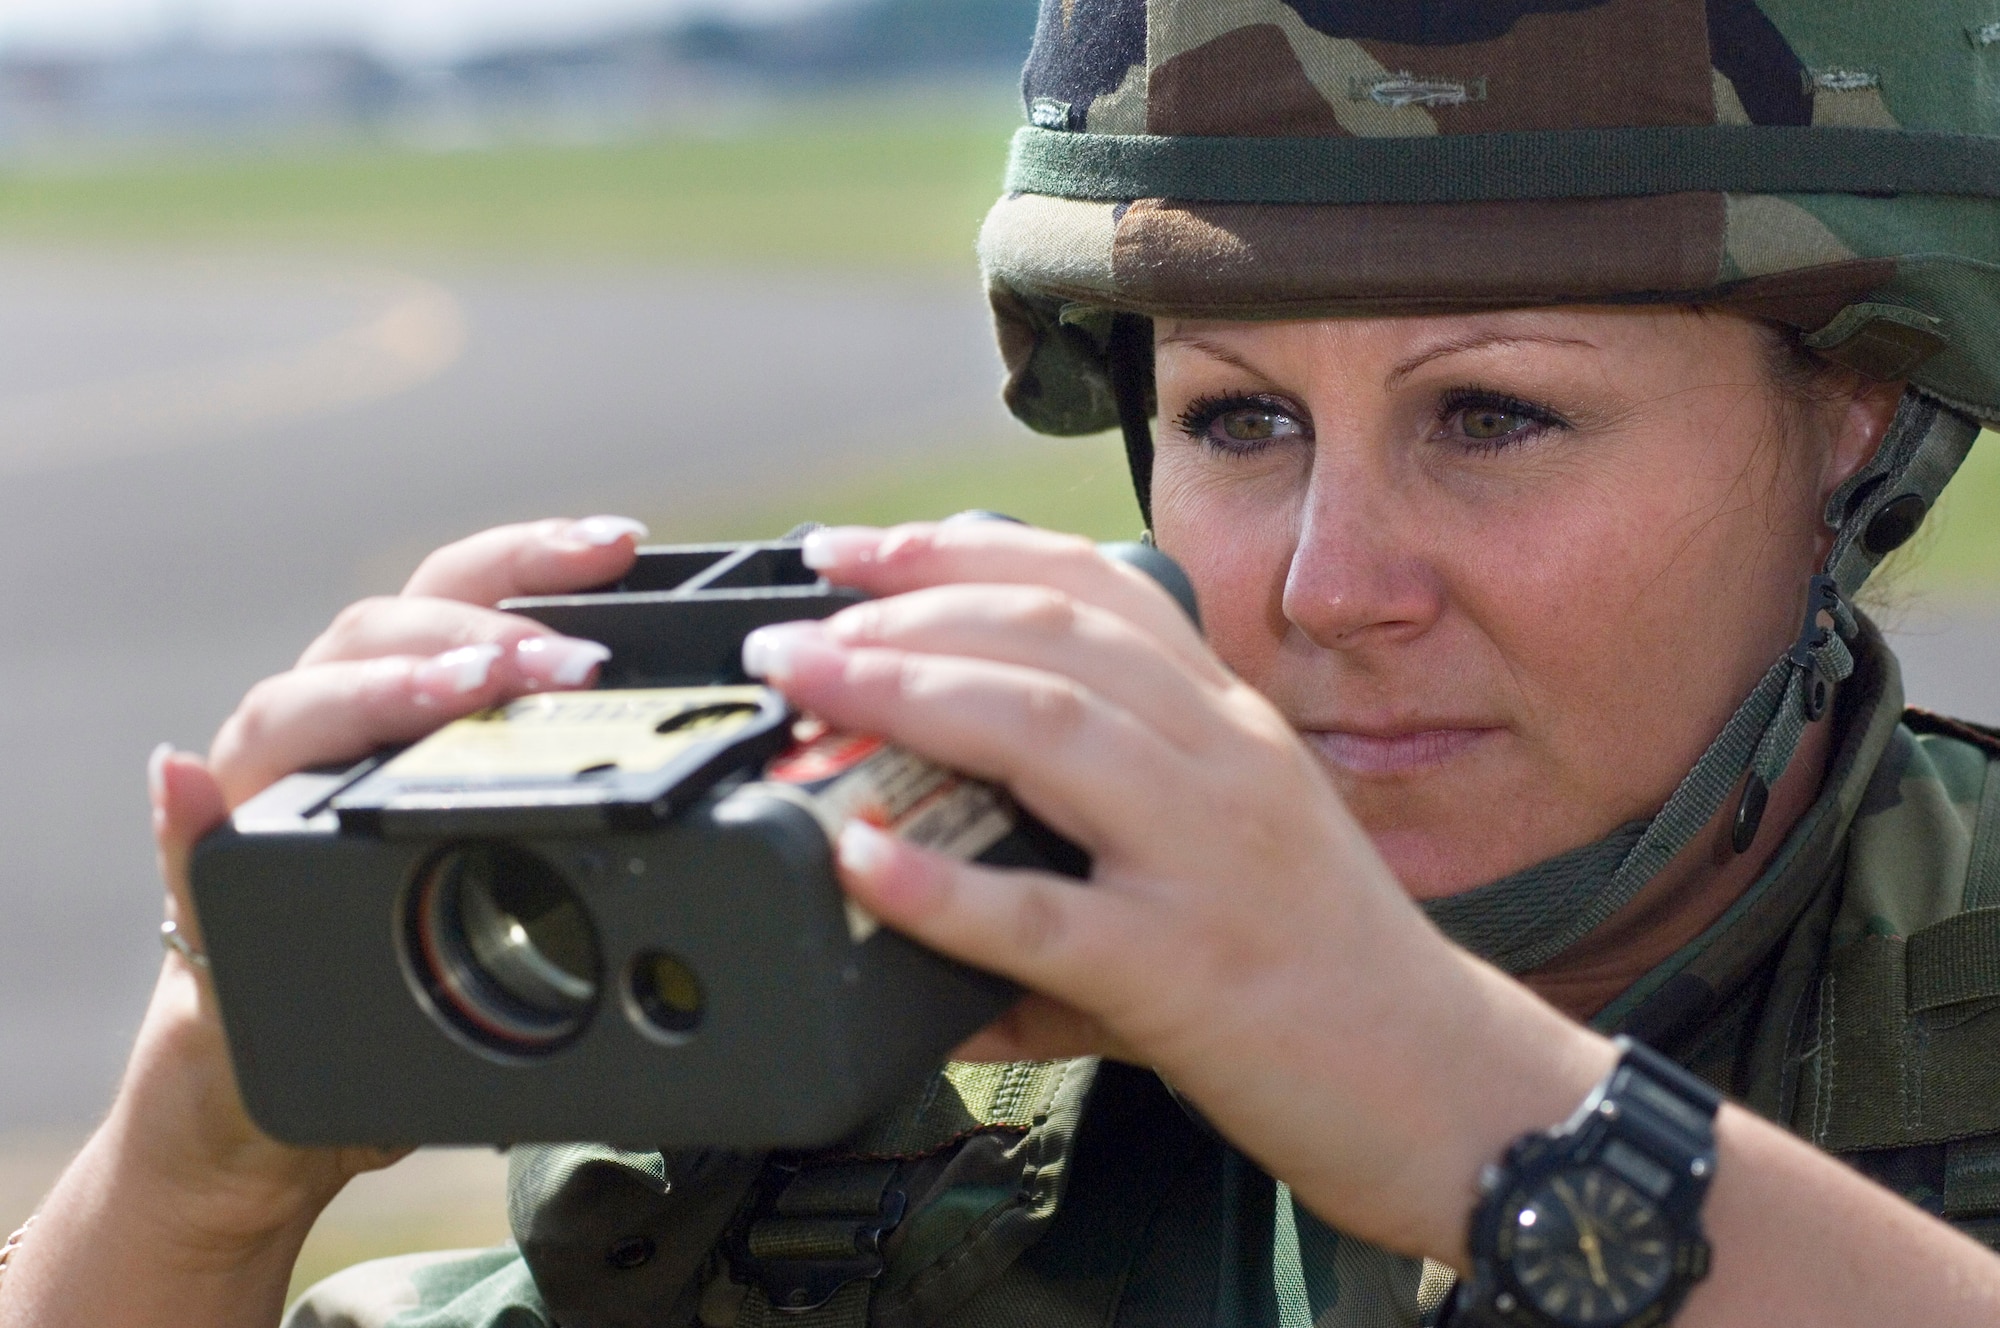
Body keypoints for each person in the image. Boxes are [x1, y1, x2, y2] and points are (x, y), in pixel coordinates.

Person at [9, 1, 2000, 1325]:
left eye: (1492, 415)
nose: (1329, 586)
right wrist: (195, 1180)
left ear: (1855, 422)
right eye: (1236, 421)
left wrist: (1482, 1110)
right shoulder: (882, 1049)